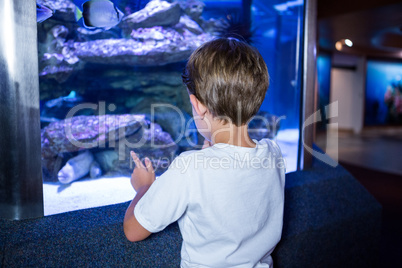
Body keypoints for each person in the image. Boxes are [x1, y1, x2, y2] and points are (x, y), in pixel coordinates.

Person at [123, 37, 285, 267]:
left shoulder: (189, 168)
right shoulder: (274, 153)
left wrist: (144, 187)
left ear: (197, 104)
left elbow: (133, 230)